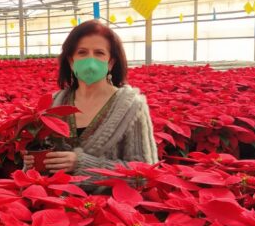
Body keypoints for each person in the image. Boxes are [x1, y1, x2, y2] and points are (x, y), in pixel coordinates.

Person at [23, 19, 157, 175]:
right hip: (54, 198)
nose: (90, 60)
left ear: (111, 62)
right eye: (82, 52)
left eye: (99, 53)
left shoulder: (132, 107)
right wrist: (32, 163)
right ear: (71, 61)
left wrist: (82, 164)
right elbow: (40, 163)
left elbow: (145, 173)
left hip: (109, 199)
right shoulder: (53, 104)